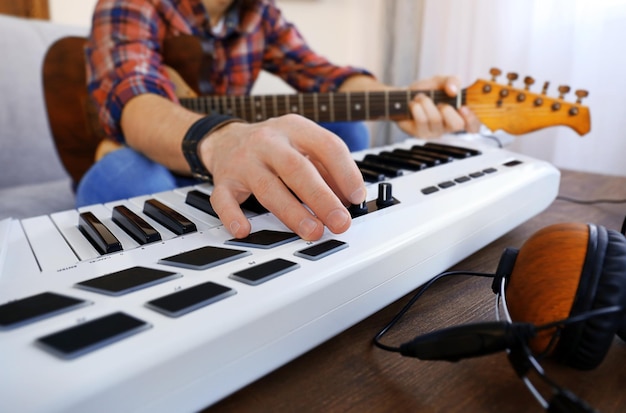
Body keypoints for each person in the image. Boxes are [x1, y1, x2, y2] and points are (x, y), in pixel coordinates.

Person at [80, 0, 480, 241]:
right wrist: (224, 142)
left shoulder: (260, 13)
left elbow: (324, 76)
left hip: (230, 161)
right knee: (131, 180)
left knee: (344, 130)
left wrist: (402, 101)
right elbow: (135, 101)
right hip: (155, 152)